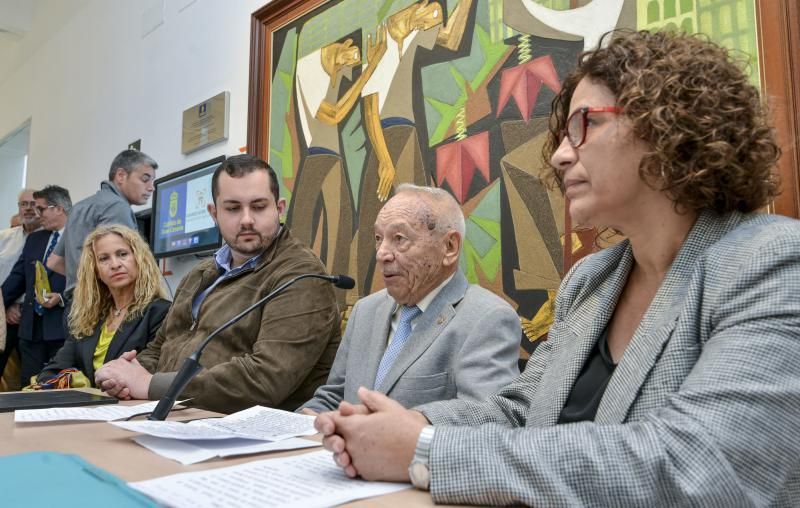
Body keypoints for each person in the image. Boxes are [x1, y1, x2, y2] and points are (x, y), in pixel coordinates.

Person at [316, 30, 800, 505]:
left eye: (583, 125)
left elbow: (704, 467)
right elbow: (519, 411)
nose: (561, 154)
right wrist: (402, 426)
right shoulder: (590, 281)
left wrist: (424, 450)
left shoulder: (771, 263)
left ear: (669, 125)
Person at [95, 155, 342, 414]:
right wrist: (126, 374)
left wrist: (149, 385)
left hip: (248, 433)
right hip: (175, 415)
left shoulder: (302, 274)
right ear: (214, 213)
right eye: (233, 208)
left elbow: (266, 378)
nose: (246, 219)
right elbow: (161, 347)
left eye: (258, 206)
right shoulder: (198, 274)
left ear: (279, 209)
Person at [299, 184, 520, 415]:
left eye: (399, 238)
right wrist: (301, 424)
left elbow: (485, 416)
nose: (382, 253)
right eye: (378, 238)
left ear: (449, 247)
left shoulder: (487, 319)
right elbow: (335, 396)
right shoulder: (365, 310)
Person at [37, 224, 170, 385]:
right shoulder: (87, 319)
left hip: (131, 406)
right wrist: (78, 382)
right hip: (89, 407)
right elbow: (49, 374)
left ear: (139, 259)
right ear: (95, 270)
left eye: (122, 254)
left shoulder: (161, 312)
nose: (115, 264)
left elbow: (150, 371)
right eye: (104, 258)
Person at [47, 149, 158, 297]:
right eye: (145, 179)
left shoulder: (79, 208)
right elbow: (127, 268)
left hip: (76, 304)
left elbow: (54, 262)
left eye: (152, 181)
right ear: (121, 176)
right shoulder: (117, 207)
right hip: (104, 302)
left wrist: (83, 281)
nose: (151, 187)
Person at [2, 186, 71, 385]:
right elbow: (17, 279)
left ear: (58, 208)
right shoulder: (35, 239)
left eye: (41, 209)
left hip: (62, 330)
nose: (37, 214)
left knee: (57, 389)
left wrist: (61, 297)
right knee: (28, 387)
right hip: (30, 331)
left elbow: (87, 283)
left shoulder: (80, 238)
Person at [0, 190, 41, 378]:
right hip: (3, 314)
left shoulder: (50, 239)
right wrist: (5, 308)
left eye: (33, 204)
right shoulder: (4, 237)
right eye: (23, 204)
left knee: (28, 376)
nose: (28, 209)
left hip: (33, 318)